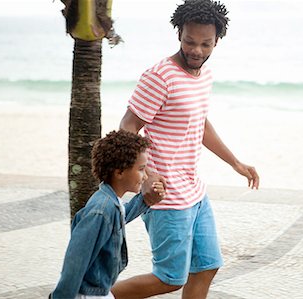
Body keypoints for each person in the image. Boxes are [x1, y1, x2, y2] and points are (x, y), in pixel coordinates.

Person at [111, 0, 260, 298]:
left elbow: (200, 124)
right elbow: (127, 127)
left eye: (206, 44)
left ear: (217, 40)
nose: (197, 50)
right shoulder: (160, 77)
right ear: (179, 33)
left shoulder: (203, 75)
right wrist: (147, 175)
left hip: (194, 190)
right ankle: (91, 294)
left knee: (206, 266)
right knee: (169, 278)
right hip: (166, 195)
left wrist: (236, 163)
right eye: (190, 41)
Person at [49, 130, 165, 299]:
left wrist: (147, 200)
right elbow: (75, 262)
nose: (145, 175)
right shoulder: (100, 211)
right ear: (119, 173)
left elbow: (121, 215)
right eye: (141, 169)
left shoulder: (110, 202)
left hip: (101, 292)